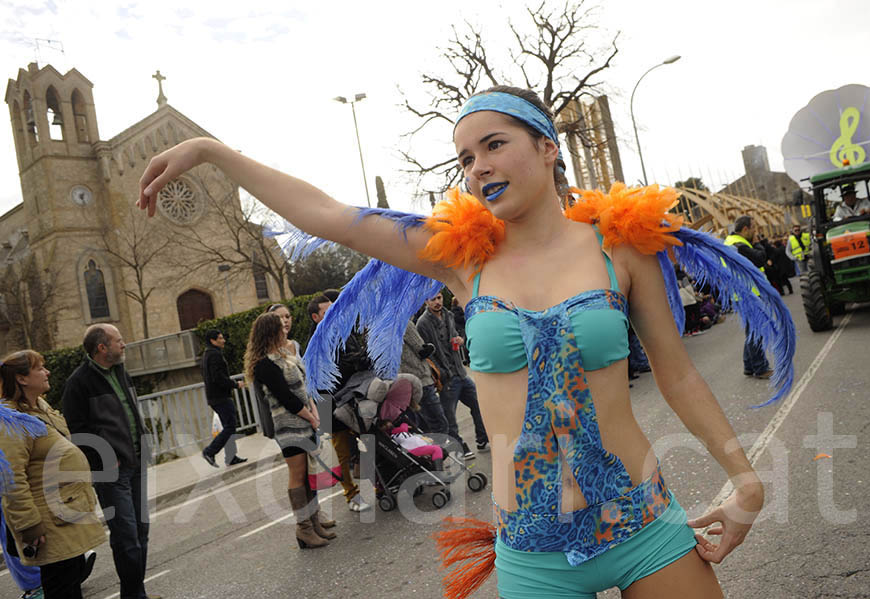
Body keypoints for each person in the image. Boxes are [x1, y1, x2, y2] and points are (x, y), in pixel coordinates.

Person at [136, 85, 794, 597]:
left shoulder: (619, 245)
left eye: (494, 144)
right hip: (534, 554)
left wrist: (744, 479)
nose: (478, 167)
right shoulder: (462, 259)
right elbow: (329, 214)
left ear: (546, 147)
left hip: (644, 524)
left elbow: (677, 377)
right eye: (466, 157)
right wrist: (212, 152)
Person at [61, 325, 161, 599]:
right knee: (126, 536)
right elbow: (77, 431)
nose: (124, 344)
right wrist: (105, 458)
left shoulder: (120, 371)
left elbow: (130, 412)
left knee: (141, 532)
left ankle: (135, 592)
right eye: (119, 341)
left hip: (136, 461)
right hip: (111, 471)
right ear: (102, 348)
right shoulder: (78, 383)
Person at [0, 350, 106, 599]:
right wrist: (28, 525)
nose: (47, 372)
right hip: (48, 520)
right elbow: (10, 477)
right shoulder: (11, 419)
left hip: (67, 510)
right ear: (22, 379)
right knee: (62, 586)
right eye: (40, 368)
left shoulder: (39, 406)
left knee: (72, 578)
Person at [245, 312, 335, 548]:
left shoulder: (286, 355)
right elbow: (287, 398)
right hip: (289, 427)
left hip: (306, 421)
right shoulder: (264, 364)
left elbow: (305, 388)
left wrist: (315, 413)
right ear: (270, 332)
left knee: (310, 475)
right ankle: (303, 528)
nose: (285, 327)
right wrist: (311, 418)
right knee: (298, 475)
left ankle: (314, 522)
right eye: (279, 326)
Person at [307, 294, 372, 513]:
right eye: (327, 312)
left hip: (355, 393)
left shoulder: (346, 330)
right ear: (316, 317)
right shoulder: (315, 343)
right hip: (331, 402)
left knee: (372, 441)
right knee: (342, 452)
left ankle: (381, 484)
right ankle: (351, 493)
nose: (335, 314)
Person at [416, 292, 489, 459]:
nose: (437, 302)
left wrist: (460, 340)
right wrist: (441, 373)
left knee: (478, 404)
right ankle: (459, 447)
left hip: (460, 372)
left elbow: (457, 334)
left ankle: (482, 438)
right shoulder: (423, 323)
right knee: (449, 417)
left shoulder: (448, 314)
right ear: (426, 301)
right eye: (433, 299)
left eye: (439, 298)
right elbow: (427, 354)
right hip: (446, 378)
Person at [725, 217, 773, 380]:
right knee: (756, 331)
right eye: (753, 228)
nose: (755, 232)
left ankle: (749, 366)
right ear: (745, 229)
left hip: (742, 293)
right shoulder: (739, 245)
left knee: (751, 330)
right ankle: (760, 368)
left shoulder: (731, 242)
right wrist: (758, 242)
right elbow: (760, 258)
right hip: (748, 293)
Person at [200, 329, 247, 468]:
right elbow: (218, 378)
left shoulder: (207, 354)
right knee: (230, 425)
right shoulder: (215, 355)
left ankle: (231, 457)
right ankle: (209, 451)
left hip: (215, 397)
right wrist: (235, 384)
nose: (223, 340)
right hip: (220, 397)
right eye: (220, 338)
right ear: (212, 341)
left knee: (229, 425)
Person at [399, 320, 448, 435]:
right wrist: (431, 347)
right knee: (439, 423)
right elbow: (422, 350)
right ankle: (440, 451)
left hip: (403, 382)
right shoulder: (404, 323)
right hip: (420, 379)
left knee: (422, 425)